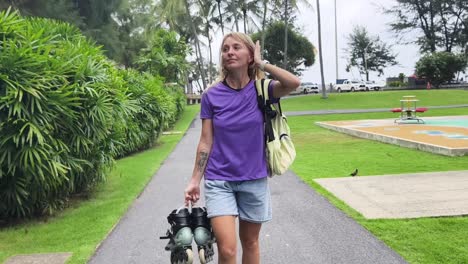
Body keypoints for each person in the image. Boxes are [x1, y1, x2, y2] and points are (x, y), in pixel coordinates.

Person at [184, 32, 300, 264]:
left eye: (237, 47)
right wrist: (195, 180)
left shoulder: (264, 90)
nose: (230, 52)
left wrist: (262, 64)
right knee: (227, 250)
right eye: (225, 49)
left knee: (250, 242)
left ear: (249, 56)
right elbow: (206, 141)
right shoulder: (211, 95)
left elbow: (293, 83)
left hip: (254, 178)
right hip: (219, 180)